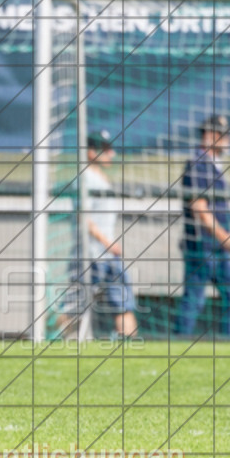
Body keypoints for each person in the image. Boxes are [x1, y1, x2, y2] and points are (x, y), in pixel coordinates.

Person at [174, 115, 230, 339]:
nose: (228, 140)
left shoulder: (212, 166)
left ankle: (228, 345)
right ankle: (180, 341)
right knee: (195, 298)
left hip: (216, 247)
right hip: (201, 246)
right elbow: (200, 208)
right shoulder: (198, 164)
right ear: (210, 136)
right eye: (223, 135)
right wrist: (225, 237)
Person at [84, 130, 138, 340]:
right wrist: (107, 242)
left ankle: (130, 345)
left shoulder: (101, 178)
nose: (111, 154)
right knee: (75, 307)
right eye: (105, 150)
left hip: (108, 255)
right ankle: (45, 336)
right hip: (90, 255)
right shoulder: (86, 178)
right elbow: (84, 218)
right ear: (91, 152)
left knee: (123, 302)